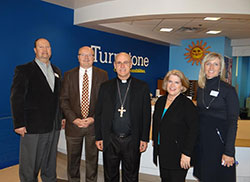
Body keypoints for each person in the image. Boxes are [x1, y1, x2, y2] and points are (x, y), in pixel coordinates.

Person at [10, 38, 63, 182]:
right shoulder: (24, 70)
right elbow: (16, 97)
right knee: (30, 165)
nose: (45, 50)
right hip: (32, 127)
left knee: (50, 162)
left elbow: (58, 98)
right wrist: (19, 123)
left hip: (53, 126)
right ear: (35, 50)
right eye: (41, 47)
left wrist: (61, 118)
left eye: (47, 47)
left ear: (51, 50)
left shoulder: (56, 70)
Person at [95, 52, 151, 182]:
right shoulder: (105, 87)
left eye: (125, 62)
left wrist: (144, 138)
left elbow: (146, 115)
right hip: (111, 139)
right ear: (114, 65)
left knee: (131, 177)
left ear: (131, 64)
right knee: (110, 176)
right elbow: (99, 113)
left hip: (132, 139)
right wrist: (99, 136)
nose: (122, 66)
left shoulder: (142, 87)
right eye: (119, 63)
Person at [60, 46, 108, 182]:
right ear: (78, 57)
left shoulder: (102, 74)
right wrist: (74, 119)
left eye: (90, 55)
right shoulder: (69, 75)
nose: (86, 58)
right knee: (72, 161)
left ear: (94, 58)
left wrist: (93, 118)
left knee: (92, 161)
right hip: (73, 126)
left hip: (93, 126)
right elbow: (63, 100)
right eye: (83, 55)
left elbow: (105, 101)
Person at [193, 52, 240, 182]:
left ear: (221, 68)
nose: (211, 67)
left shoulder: (228, 90)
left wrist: (229, 152)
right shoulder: (201, 88)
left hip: (220, 143)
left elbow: (232, 123)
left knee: (220, 177)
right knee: (205, 176)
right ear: (203, 67)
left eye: (216, 64)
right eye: (208, 63)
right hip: (203, 142)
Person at [152, 70, 198, 182]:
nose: (172, 85)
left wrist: (187, 153)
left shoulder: (187, 105)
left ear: (182, 86)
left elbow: (194, 130)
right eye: (170, 81)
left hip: (178, 154)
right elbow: (157, 124)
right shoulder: (160, 101)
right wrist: (155, 140)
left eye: (176, 82)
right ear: (166, 83)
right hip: (163, 152)